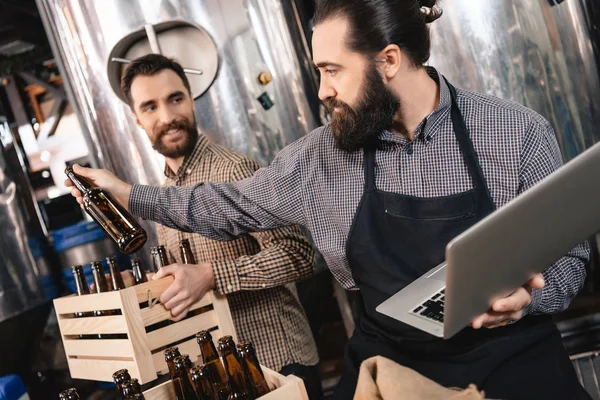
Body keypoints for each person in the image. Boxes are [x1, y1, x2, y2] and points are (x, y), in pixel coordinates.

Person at [67, 1, 591, 398]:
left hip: (512, 358)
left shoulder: (515, 132)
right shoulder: (322, 157)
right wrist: (128, 194)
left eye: (332, 69)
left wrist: (530, 300)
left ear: (388, 60)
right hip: (394, 365)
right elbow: (226, 206)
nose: (322, 90)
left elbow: (569, 260)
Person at [114, 54, 323, 399]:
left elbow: (300, 255)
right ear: (137, 118)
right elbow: (184, 285)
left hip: (280, 364)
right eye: (150, 107)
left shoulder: (235, 171)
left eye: (175, 99)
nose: (167, 117)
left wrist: (213, 276)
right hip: (225, 377)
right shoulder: (162, 196)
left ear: (191, 99)